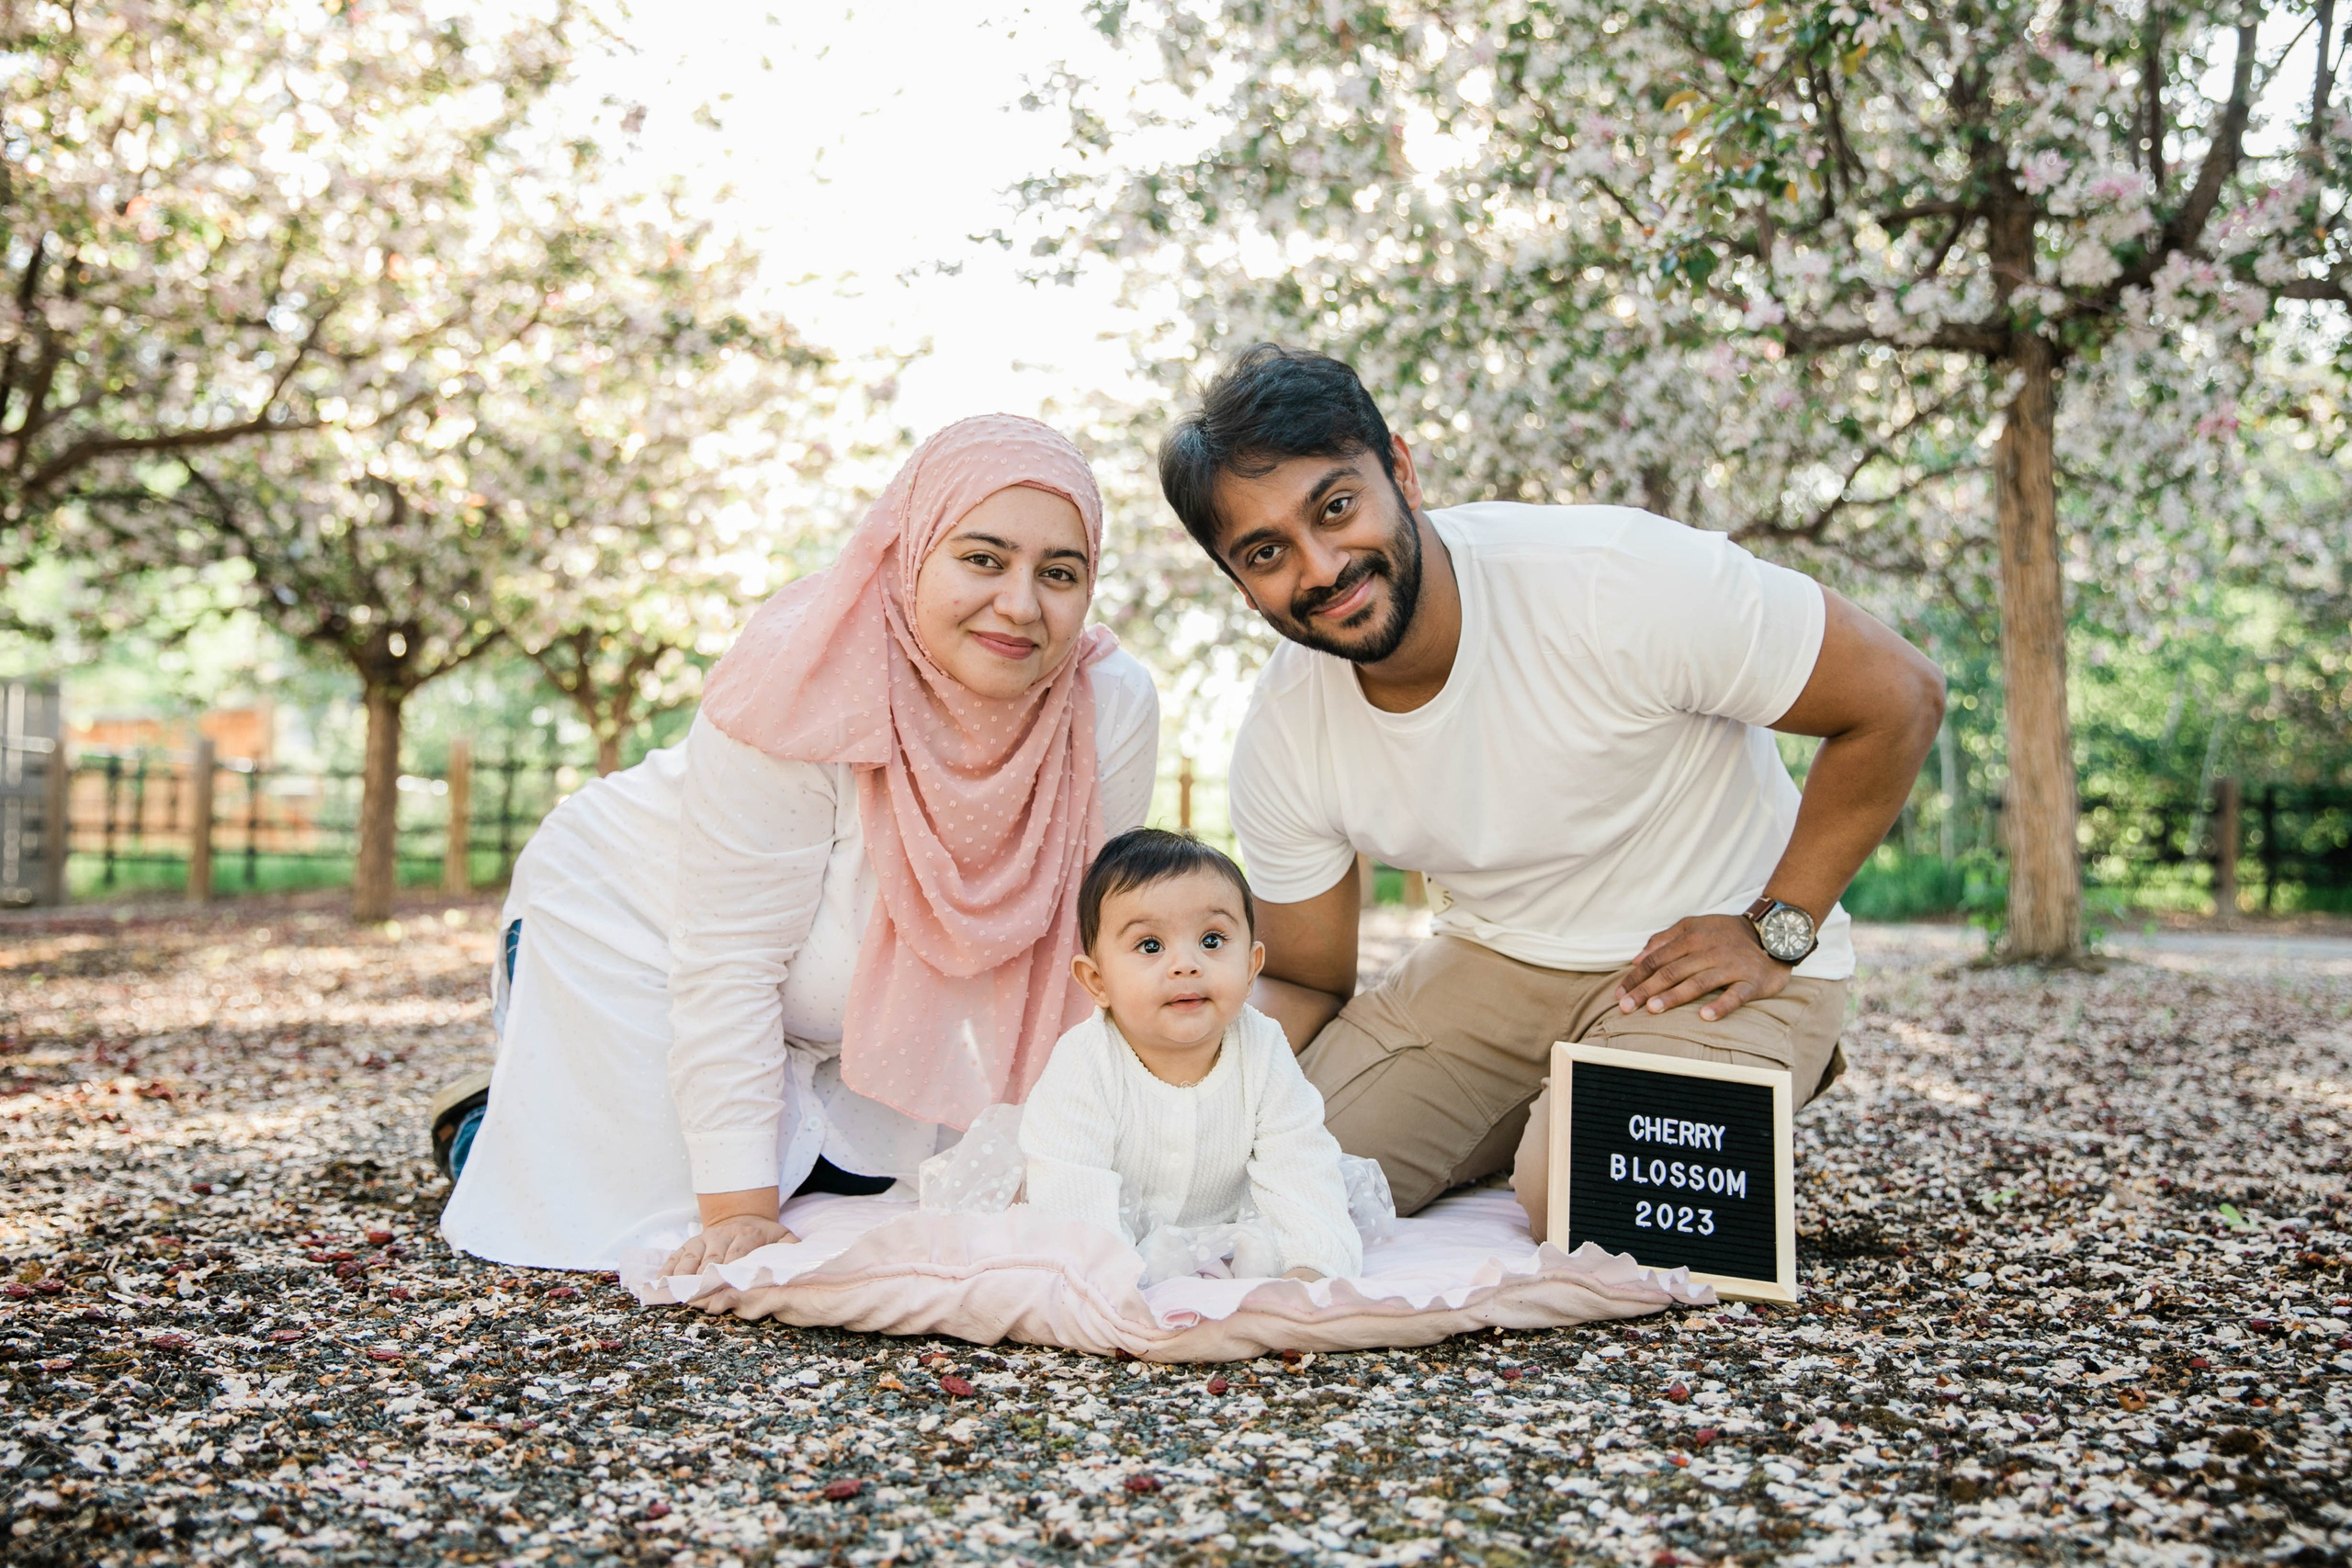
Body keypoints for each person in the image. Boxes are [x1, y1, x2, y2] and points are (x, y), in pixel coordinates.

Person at [1155, 345, 1946, 1227]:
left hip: (1709, 954)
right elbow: (1304, 980)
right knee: (1267, 1175)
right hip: (1489, 967)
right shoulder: (1284, 728)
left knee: (1585, 1195)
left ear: (1401, 470)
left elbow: (1899, 695)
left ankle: (1742, 1060)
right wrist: (1180, 1093)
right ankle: (1544, 1106)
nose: (1321, 566)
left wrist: (1778, 929)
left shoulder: (1612, 577)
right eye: (1267, 552)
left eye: (1336, 507)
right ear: (1242, 586)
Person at [433, 415, 1159, 1273]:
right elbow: (729, 958)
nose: (1021, 604)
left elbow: (1087, 949)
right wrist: (739, 1213)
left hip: (847, 1009)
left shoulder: (1107, 704)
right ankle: (497, 1121)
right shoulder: (806, 679)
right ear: (911, 549)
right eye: (983, 558)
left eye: (1060, 572)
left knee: (913, 1195)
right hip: (632, 927)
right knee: (643, 1219)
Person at [1016, 829, 1369, 1284]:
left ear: (1250, 968)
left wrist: (1310, 1267)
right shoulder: (1085, 1061)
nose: (1186, 964)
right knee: (1035, 1241)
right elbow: (1071, 1184)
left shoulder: (1262, 1048)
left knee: (1300, 1224)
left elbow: (1298, 1164)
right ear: (1097, 982)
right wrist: (1103, 1280)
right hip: (1104, 1231)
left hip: (1224, 1227)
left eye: (1212, 940)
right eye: (1150, 945)